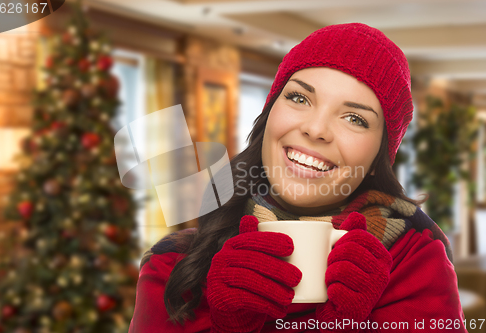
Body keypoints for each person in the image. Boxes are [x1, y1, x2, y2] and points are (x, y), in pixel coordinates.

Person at [128, 23, 466, 333]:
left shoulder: (415, 262)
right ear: (270, 113)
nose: (316, 129)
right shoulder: (173, 263)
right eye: (299, 97)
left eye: (355, 118)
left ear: (379, 159)